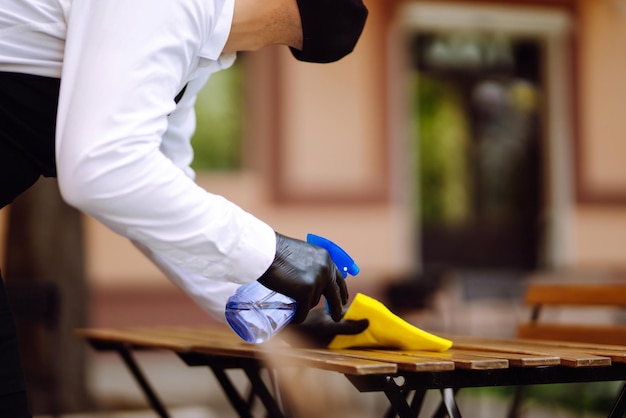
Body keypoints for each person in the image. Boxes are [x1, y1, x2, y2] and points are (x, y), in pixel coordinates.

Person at [0, 0, 369, 415]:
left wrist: (269, 311)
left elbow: (157, 190)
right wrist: (272, 251)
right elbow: (103, 168)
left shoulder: (196, 47)